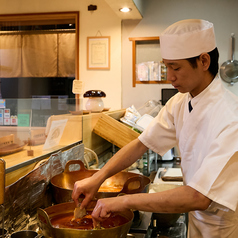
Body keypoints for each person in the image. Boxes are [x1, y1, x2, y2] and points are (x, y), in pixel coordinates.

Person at [72, 19, 238, 237]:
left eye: (175, 67)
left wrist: (124, 201)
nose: (169, 77)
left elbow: (199, 197)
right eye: (166, 66)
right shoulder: (181, 102)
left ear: (204, 60)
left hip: (223, 228)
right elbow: (141, 143)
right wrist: (97, 178)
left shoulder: (230, 116)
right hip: (196, 221)